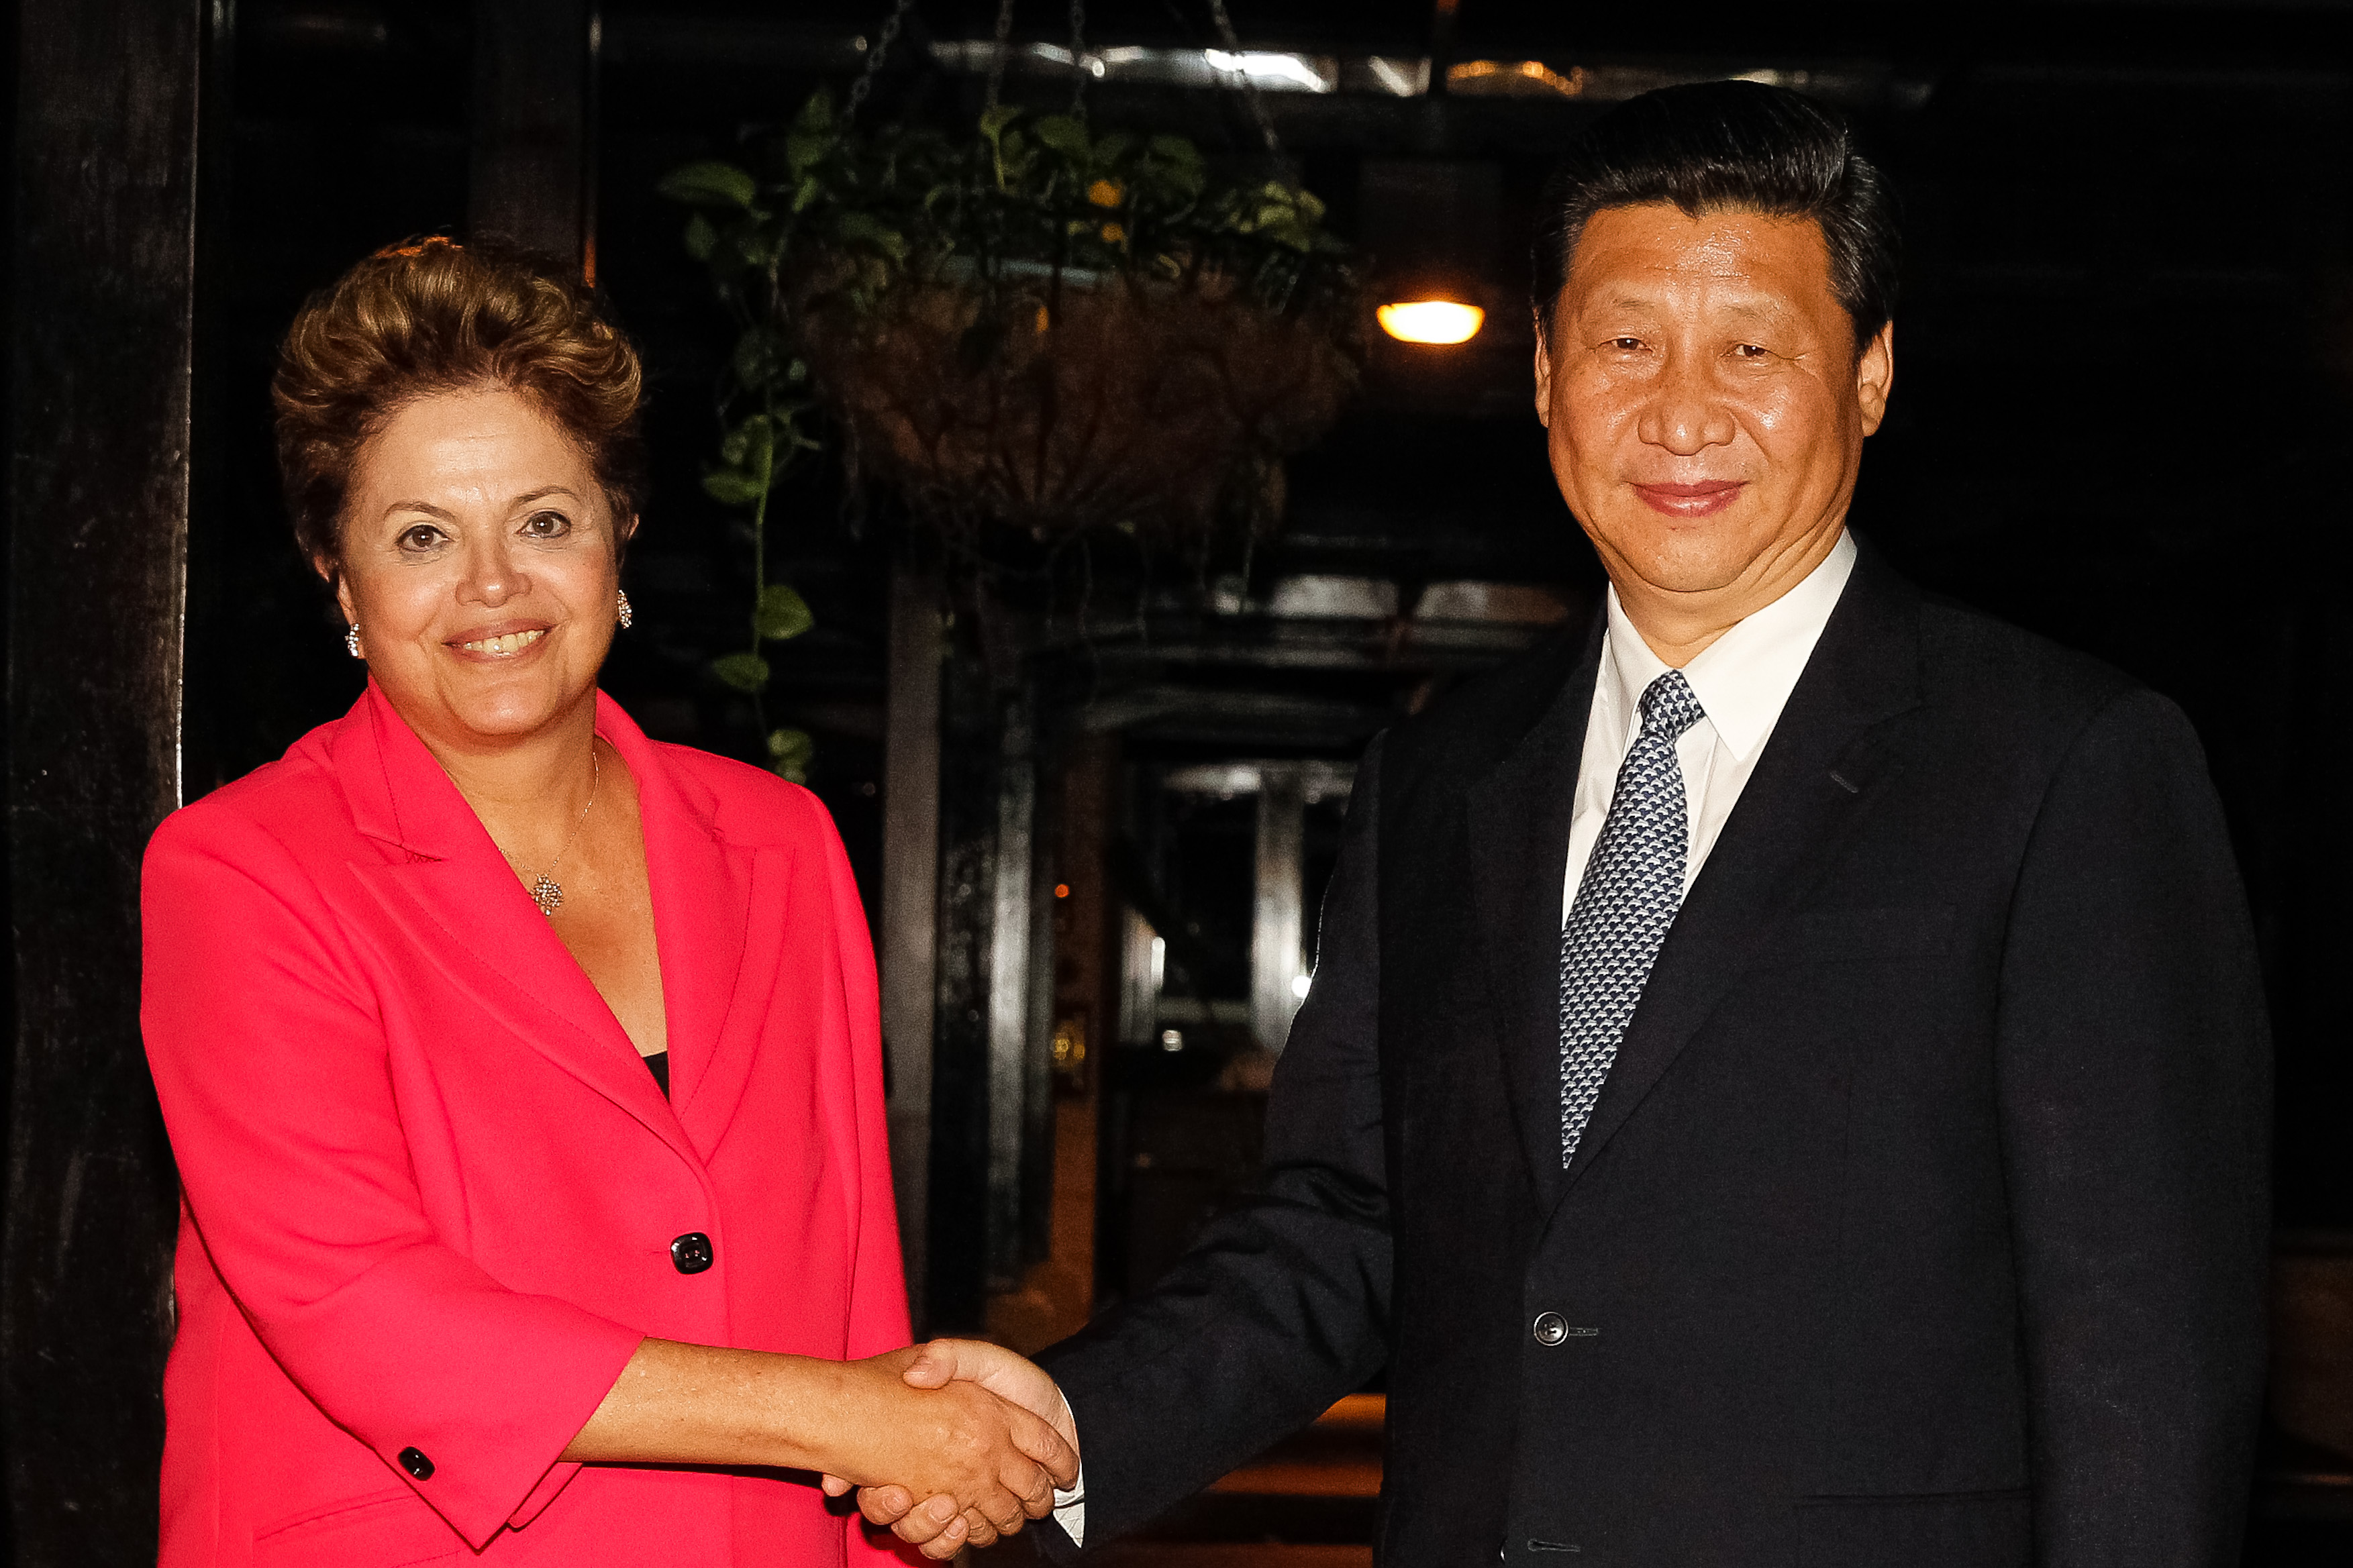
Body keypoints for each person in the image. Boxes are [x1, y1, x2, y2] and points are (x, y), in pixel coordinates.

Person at [859, 81, 2272, 1567]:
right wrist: (1068, 1424)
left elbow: (2141, 1353)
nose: (1681, 413)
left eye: (1750, 348)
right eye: (1624, 342)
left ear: (1868, 374)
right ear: (1543, 371)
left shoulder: (2065, 764)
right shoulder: (1443, 775)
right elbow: (1349, 1219)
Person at [139, 238, 1074, 1567]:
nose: (493, 585)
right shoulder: (241, 871)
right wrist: (854, 1418)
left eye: (543, 520)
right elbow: (360, 1299)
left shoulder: (782, 840)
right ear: (338, 576)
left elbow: (852, 1277)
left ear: (619, 535)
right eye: (421, 536)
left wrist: (902, 1472)